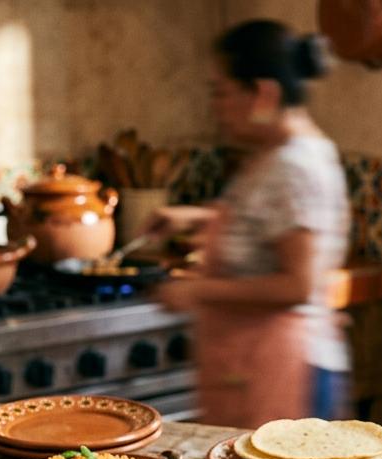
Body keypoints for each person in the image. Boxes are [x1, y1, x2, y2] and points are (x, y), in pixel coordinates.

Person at [149, 20, 350, 429]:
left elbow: (298, 285)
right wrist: (194, 217)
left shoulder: (296, 165)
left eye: (221, 92)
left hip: (287, 372)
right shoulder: (273, 154)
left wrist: (196, 290)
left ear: (263, 93)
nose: (216, 106)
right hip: (251, 367)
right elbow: (267, 224)